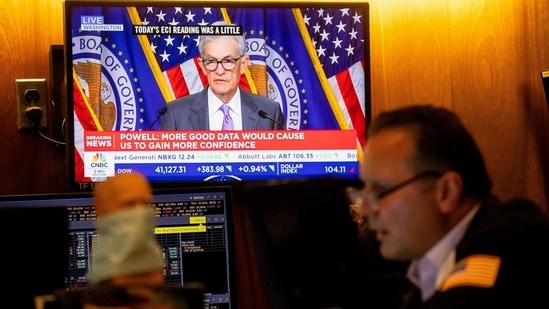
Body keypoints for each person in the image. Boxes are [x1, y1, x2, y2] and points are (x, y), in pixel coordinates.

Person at [347, 104, 549, 308]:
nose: (364, 208)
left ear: (447, 192)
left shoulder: (513, 254)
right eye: (363, 192)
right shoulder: (435, 271)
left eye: (381, 191)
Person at [160, 21, 285, 131]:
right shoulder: (176, 114)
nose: (220, 71)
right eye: (211, 61)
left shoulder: (269, 113)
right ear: (202, 66)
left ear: (243, 64)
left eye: (228, 61)